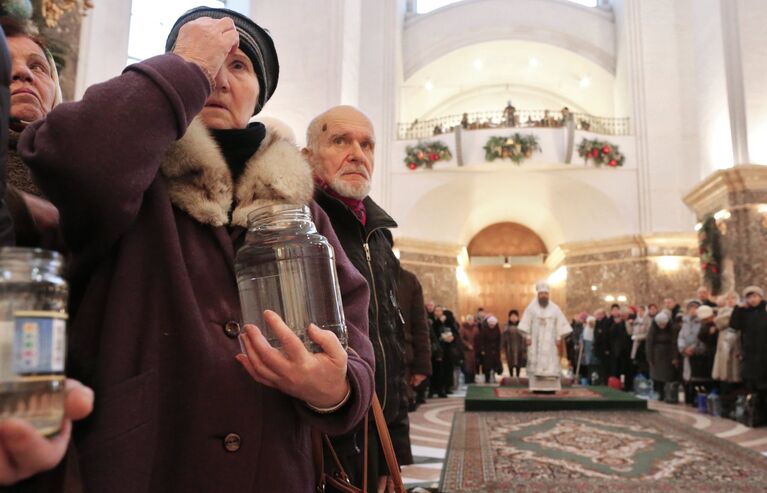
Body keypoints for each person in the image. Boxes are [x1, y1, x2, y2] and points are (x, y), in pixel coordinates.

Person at [16, 9, 375, 492]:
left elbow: (351, 325)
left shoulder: (303, 207)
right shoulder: (132, 174)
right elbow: (71, 160)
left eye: (240, 66)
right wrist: (185, 65)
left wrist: (335, 388)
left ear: (258, 95)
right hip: (141, 465)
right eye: (208, 63)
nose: (219, 79)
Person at [305, 105, 407, 490]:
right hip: (326, 431)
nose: (357, 154)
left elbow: (391, 337)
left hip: (378, 427)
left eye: (367, 145)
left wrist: (395, 441)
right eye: (340, 141)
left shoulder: (380, 234)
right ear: (308, 156)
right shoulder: (303, 222)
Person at [1, 16, 61, 249]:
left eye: (37, 66)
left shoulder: (83, 159)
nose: (23, 73)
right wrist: (24, 208)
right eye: (3, 63)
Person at [518, 282, 572, 392]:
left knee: (550, 364)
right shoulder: (531, 308)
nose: (543, 296)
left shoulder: (555, 308)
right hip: (535, 342)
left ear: (548, 295)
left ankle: (551, 388)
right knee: (535, 363)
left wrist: (558, 337)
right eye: (541, 293)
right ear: (538, 294)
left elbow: (560, 323)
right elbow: (525, 324)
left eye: (545, 294)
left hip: (550, 343)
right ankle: (535, 387)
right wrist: (527, 336)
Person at [396, 267, 431, 412]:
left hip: (402, 362)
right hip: (362, 362)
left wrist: (421, 367)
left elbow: (420, 327)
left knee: (397, 423)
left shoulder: (407, 280)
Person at [730, 286, 767, 423]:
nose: (752, 299)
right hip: (750, 356)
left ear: (760, 296)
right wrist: (738, 308)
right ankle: (755, 416)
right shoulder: (745, 312)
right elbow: (734, 324)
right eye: (749, 297)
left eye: (755, 296)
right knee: (753, 387)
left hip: (764, 355)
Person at [711, 307, 741, 417]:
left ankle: (727, 409)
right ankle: (728, 409)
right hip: (730, 360)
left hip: (730, 359)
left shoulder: (725, 329)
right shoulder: (727, 329)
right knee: (730, 386)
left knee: (727, 386)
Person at [645, 311, 677, 401]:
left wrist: (675, 357)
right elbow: (649, 343)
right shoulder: (653, 328)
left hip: (668, 354)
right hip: (656, 354)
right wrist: (649, 357)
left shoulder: (672, 328)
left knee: (668, 375)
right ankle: (659, 393)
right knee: (656, 376)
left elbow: (674, 343)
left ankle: (668, 394)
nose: (661, 326)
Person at [677, 300, 704, 405]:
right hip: (686, 352)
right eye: (691, 308)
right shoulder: (685, 322)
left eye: (695, 308)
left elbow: (700, 337)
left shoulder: (701, 321)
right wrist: (683, 348)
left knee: (697, 377)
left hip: (697, 353)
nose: (693, 310)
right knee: (687, 376)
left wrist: (693, 348)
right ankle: (689, 397)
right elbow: (681, 336)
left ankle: (697, 399)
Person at [476, 315, 502, 383]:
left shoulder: (497, 330)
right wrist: (482, 349)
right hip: (487, 350)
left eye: (493, 324)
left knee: (494, 365)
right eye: (490, 324)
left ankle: (493, 377)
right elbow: (481, 340)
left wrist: (499, 348)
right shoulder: (484, 330)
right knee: (487, 365)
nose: (492, 326)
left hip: (495, 350)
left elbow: (499, 340)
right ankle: (487, 378)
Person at [501, 309, 526, 380]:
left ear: (518, 317)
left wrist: (525, 348)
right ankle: (511, 376)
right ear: (509, 317)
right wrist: (502, 347)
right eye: (512, 316)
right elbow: (503, 337)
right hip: (509, 347)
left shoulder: (522, 326)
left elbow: (525, 336)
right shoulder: (506, 326)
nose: (513, 318)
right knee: (510, 362)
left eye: (515, 316)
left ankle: (518, 376)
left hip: (519, 347)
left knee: (519, 362)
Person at [459, 314, 479, 384]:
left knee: (473, 365)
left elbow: (477, 338)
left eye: (471, 320)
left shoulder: (475, 328)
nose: (470, 321)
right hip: (466, 350)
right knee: (467, 365)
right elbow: (461, 338)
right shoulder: (463, 328)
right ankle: (467, 380)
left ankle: (472, 379)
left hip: (474, 349)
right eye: (469, 319)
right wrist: (467, 345)